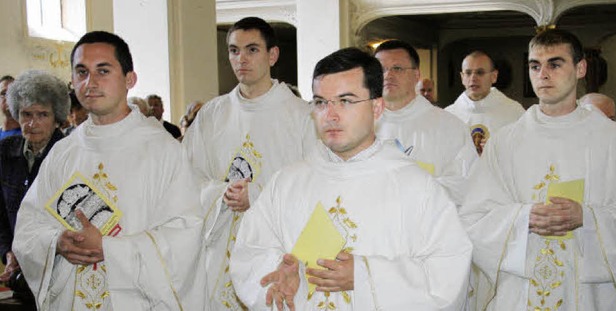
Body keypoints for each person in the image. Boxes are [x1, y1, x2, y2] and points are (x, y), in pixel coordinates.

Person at [230, 47, 472, 310]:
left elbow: (447, 275)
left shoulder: (416, 187)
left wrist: (366, 276)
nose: (330, 115)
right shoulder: (286, 183)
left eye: (345, 101)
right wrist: (280, 274)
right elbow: (250, 252)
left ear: (377, 107)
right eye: (321, 102)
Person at [12, 31, 209, 310]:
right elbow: (30, 226)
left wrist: (109, 249)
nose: (90, 82)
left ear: (130, 79)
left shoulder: (163, 151)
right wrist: (56, 242)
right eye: (81, 72)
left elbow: (185, 236)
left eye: (102, 71)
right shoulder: (64, 152)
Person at [459, 29, 616, 311]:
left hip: (590, 295)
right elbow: (475, 218)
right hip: (520, 292)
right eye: (535, 66)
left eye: (555, 64)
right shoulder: (505, 142)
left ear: (580, 69)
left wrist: (587, 218)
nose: (543, 74)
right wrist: (523, 217)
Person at [182, 16, 315, 310]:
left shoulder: (301, 116)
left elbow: (313, 189)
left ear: (273, 55)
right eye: (233, 50)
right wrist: (221, 194)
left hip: (274, 252)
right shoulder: (212, 114)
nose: (240, 58)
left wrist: (256, 195)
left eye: (252, 49)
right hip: (217, 249)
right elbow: (187, 178)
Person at [374, 40, 477, 205]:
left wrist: (409, 188)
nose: (388, 75)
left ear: (416, 75)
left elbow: (468, 186)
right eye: (381, 69)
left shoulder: (450, 127)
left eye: (397, 68)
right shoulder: (360, 126)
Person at [0, 70, 68, 304]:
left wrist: (33, 251)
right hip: (19, 274)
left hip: (59, 271)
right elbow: (1, 213)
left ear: (57, 117)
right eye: (26, 114)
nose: (32, 123)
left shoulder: (69, 154)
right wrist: (8, 252)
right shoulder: (5, 151)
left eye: (42, 115)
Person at [445, 50, 525, 155]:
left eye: (480, 72)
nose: (473, 78)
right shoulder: (448, 115)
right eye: (468, 73)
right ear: (462, 77)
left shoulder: (514, 112)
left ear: (494, 76)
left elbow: (526, 151)